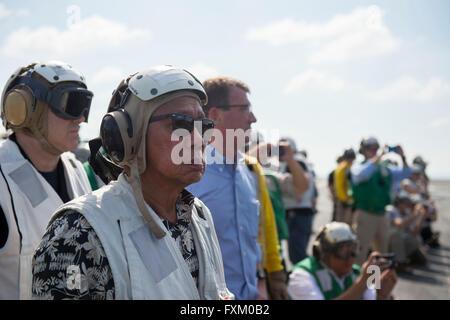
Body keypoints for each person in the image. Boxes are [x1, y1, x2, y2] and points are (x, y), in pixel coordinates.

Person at [32, 66, 233, 300]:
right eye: (181, 124)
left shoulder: (199, 216)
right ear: (127, 136)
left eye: (203, 126)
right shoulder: (78, 232)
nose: (199, 140)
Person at [0, 61, 95, 299]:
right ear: (22, 109)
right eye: (71, 105)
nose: (81, 119)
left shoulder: (75, 170)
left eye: (85, 106)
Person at [187, 76, 287, 300]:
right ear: (214, 115)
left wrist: (262, 283)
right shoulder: (188, 175)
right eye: (244, 109)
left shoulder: (251, 172)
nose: (253, 118)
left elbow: (260, 235)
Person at [288, 222, 397, 300]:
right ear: (325, 253)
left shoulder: (356, 273)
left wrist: (381, 295)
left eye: (353, 250)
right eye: (343, 251)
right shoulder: (301, 276)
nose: (350, 258)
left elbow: (371, 297)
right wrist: (362, 283)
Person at [350, 136, 412, 265]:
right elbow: (361, 175)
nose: (373, 151)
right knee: (359, 252)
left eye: (376, 148)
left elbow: (406, 173)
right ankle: (356, 282)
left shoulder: (385, 168)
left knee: (381, 254)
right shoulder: (358, 167)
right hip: (366, 214)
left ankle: (376, 283)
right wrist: (379, 157)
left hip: (382, 215)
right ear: (363, 149)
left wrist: (402, 156)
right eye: (370, 148)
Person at [281, 139, 317, 266]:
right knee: (297, 253)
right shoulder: (300, 161)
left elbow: (302, 184)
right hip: (302, 212)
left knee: (297, 255)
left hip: (297, 213)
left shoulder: (296, 162)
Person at [386, 191, 427, 274]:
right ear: (399, 202)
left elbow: (414, 232)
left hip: (397, 244)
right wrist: (414, 214)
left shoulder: (405, 213)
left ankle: (402, 259)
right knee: (396, 234)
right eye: (406, 202)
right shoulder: (391, 209)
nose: (408, 205)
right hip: (387, 242)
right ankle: (400, 264)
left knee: (415, 239)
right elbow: (399, 224)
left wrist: (422, 217)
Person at [333, 148, 356, 226]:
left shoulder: (349, 167)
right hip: (344, 201)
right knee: (343, 225)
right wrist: (345, 200)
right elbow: (339, 186)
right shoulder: (344, 168)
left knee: (349, 224)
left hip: (349, 200)